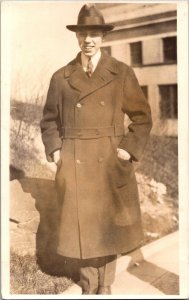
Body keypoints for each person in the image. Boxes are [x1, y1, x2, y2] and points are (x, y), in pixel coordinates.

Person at [40, 3, 152, 295]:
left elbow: (142, 118)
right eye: (83, 34)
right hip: (75, 159)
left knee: (107, 227)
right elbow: (48, 121)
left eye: (94, 34)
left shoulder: (121, 73)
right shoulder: (60, 77)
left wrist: (126, 150)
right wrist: (55, 152)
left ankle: (106, 286)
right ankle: (90, 286)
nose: (88, 40)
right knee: (82, 228)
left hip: (109, 159)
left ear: (103, 37)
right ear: (76, 37)